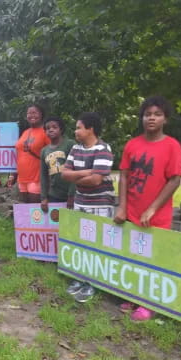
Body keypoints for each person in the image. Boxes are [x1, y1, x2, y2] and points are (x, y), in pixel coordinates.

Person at [114, 95, 181, 321]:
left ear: (165, 119)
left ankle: (148, 304)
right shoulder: (132, 144)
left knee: (152, 259)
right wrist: (122, 206)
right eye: (147, 114)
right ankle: (132, 296)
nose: (151, 118)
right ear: (142, 118)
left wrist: (152, 209)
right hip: (131, 213)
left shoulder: (172, 146)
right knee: (132, 257)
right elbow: (123, 175)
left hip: (157, 217)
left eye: (157, 114)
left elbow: (174, 180)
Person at [61, 112, 115, 303]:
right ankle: (81, 278)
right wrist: (88, 171)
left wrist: (78, 175)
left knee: (97, 245)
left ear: (90, 128)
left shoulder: (103, 148)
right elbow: (64, 174)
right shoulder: (76, 149)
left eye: (78, 127)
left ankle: (93, 283)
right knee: (82, 242)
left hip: (99, 205)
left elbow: (95, 181)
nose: (76, 131)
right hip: (80, 202)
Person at [13, 104, 50, 203]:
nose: (31, 115)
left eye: (34, 112)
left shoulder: (45, 132)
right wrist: (13, 174)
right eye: (29, 113)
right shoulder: (25, 132)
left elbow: (52, 153)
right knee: (24, 213)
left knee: (35, 213)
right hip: (22, 178)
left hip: (37, 178)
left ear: (41, 115)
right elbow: (20, 155)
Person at [40, 116, 76, 213]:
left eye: (54, 127)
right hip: (54, 195)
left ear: (61, 129)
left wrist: (72, 195)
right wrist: (44, 197)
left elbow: (76, 170)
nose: (50, 130)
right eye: (47, 128)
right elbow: (43, 176)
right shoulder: (44, 151)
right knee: (56, 224)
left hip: (71, 194)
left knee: (73, 224)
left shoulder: (70, 144)